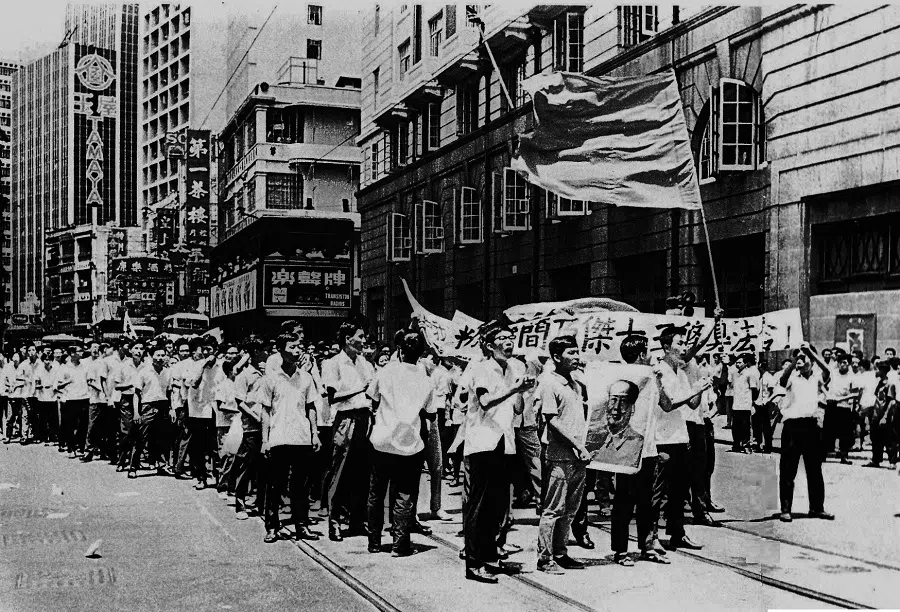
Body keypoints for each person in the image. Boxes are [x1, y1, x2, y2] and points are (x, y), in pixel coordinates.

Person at [462, 325, 533, 584]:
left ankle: (491, 558)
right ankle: (474, 563)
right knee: (479, 505)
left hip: (505, 441)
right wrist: (515, 389)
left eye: (510, 338)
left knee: (497, 504)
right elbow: (485, 402)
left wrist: (521, 391)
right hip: (483, 441)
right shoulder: (482, 368)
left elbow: (517, 409)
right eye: (502, 339)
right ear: (490, 346)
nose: (509, 342)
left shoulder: (514, 368)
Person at [366, 329, 435, 556]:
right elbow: (430, 412)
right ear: (421, 353)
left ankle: (374, 542)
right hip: (409, 444)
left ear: (399, 350)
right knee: (405, 492)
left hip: (382, 440)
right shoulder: (426, 380)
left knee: (377, 492)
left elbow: (373, 397)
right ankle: (400, 544)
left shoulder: (386, 371)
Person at [610, 334, 670, 566]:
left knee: (647, 501)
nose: (652, 355)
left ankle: (647, 546)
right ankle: (620, 551)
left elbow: (666, 405)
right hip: (627, 449)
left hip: (649, 449)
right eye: (648, 351)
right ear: (641, 354)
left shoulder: (654, 378)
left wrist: (660, 381)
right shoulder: (621, 379)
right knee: (624, 501)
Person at [258, 332, 321, 543]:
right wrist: (265, 440)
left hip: (301, 438)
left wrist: (315, 434)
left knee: (301, 486)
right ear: (281, 350)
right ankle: (272, 526)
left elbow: (311, 406)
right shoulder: (271, 379)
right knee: (274, 485)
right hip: (278, 438)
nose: (297, 351)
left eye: (299, 347)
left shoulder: (306, 378)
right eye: (292, 347)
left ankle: (301, 525)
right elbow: (265, 411)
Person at [652, 326, 712, 551]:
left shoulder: (679, 371)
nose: (684, 347)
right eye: (679, 343)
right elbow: (667, 405)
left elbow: (692, 404)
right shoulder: (659, 371)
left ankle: (678, 533)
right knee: (658, 493)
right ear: (667, 347)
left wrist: (701, 388)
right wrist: (691, 392)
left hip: (680, 437)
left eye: (685, 343)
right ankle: (651, 538)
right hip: (662, 439)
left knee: (679, 491)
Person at [535, 335, 589, 575]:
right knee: (553, 509)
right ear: (557, 357)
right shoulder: (548, 382)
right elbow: (551, 419)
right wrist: (576, 443)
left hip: (579, 455)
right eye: (571, 353)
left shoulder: (576, 383)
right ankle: (544, 558)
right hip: (560, 454)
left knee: (570, 509)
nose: (576, 357)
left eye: (577, 352)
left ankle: (561, 552)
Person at [321, 322, 375, 542]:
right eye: (360, 337)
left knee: (362, 473)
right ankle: (334, 522)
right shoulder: (332, 364)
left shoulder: (365, 363)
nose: (363, 341)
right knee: (340, 471)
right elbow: (333, 397)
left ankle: (356, 520)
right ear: (347, 339)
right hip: (345, 420)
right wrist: (360, 389)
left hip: (365, 420)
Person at [778, 344, 834, 522]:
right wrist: (796, 360)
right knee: (788, 469)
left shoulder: (817, 377)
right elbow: (782, 379)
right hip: (792, 427)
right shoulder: (792, 378)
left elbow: (827, 370)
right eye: (798, 358)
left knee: (814, 469)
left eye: (804, 358)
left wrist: (810, 352)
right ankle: (786, 509)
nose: (801, 361)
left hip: (811, 426)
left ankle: (817, 508)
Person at [232, 339, 268, 520]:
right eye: (262, 351)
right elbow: (240, 402)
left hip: (268, 426)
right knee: (246, 465)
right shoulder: (244, 375)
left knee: (265, 467)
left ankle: (261, 503)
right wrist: (256, 418)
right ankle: (240, 503)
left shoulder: (269, 374)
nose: (266, 355)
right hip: (252, 427)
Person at [131, 343, 172, 478]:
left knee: (162, 438)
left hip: (163, 406)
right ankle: (133, 467)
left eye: (163, 355)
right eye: (157, 355)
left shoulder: (167, 372)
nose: (160, 358)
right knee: (141, 438)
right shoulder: (144, 372)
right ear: (151, 356)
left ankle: (161, 465)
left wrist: (171, 409)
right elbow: (136, 393)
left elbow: (169, 392)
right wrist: (137, 412)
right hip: (148, 406)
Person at [183, 337, 219, 490]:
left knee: (215, 447)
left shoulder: (222, 366)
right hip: (198, 411)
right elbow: (194, 384)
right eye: (203, 349)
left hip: (216, 411)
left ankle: (219, 478)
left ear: (215, 350)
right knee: (198, 447)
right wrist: (203, 365)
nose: (206, 352)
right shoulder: (194, 365)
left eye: (209, 349)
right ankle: (201, 477)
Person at [113, 341, 145, 470]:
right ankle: (121, 461)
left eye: (141, 348)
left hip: (143, 400)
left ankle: (134, 463)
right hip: (127, 399)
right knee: (126, 432)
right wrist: (131, 385)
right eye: (136, 348)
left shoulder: (146, 366)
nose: (138, 351)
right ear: (130, 350)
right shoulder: (123, 366)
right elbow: (116, 385)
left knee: (140, 433)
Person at [824, 353, 859, 464]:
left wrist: (841, 399)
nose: (844, 364)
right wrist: (828, 396)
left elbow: (855, 394)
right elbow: (823, 386)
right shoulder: (832, 374)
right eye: (842, 362)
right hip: (831, 406)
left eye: (846, 362)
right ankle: (822, 455)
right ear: (838, 363)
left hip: (844, 406)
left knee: (846, 433)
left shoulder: (852, 377)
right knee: (828, 431)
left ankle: (844, 456)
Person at [56, 346, 91, 457]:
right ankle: (71, 448)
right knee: (70, 425)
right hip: (71, 399)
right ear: (72, 353)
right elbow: (58, 385)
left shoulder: (84, 366)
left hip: (84, 398)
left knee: (83, 425)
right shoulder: (64, 368)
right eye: (78, 351)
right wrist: (68, 382)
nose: (81, 353)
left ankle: (80, 447)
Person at [865, 361, 897, 468]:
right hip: (876, 414)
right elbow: (877, 399)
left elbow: (891, 402)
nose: (876, 371)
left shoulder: (890, 384)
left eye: (878, 369)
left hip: (884, 415)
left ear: (883, 371)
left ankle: (892, 462)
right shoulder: (879, 383)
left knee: (888, 439)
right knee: (875, 438)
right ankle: (876, 460)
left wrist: (885, 416)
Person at [83, 343, 111, 463]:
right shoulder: (94, 364)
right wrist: (103, 391)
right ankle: (88, 451)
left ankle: (104, 451)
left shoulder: (108, 363)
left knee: (105, 427)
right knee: (92, 426)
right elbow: (90, 382)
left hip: (107, 400)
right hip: (96, 399)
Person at [731, 354, 759, 453]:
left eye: (740, 362)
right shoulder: (735, 374)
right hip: (736, 405)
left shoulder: (749, 374)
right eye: (736, 363)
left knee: (745, 427)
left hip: (745, 405)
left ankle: (746, 446)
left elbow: (755, 389)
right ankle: (736, 445)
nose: (737, 364)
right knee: (735, 427)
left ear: (745, 363)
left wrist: (752, 402)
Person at [755, 360, 778, 453]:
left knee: (766, 427)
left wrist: (768, 401)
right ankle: (759, 444)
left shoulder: (769, 377)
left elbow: (772, 391)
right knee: (758, 426)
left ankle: (768, 447)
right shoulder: (760, 377)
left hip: (765, 404)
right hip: (759, 403)